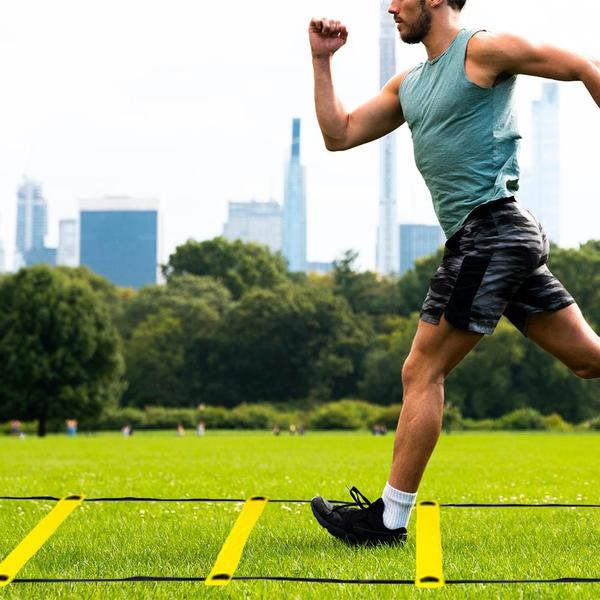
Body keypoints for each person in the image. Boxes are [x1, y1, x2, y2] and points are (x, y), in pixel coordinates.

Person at [308, 0, 600, 546]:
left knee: (422, 370)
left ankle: (388, 521)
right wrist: (322, 61)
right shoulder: (409, 84)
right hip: (492, 239)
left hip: (491, 232)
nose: (391, 7)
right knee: (588, 361)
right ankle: (388, 518)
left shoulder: (482, 51)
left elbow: (584, 65)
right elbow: (339, 134)